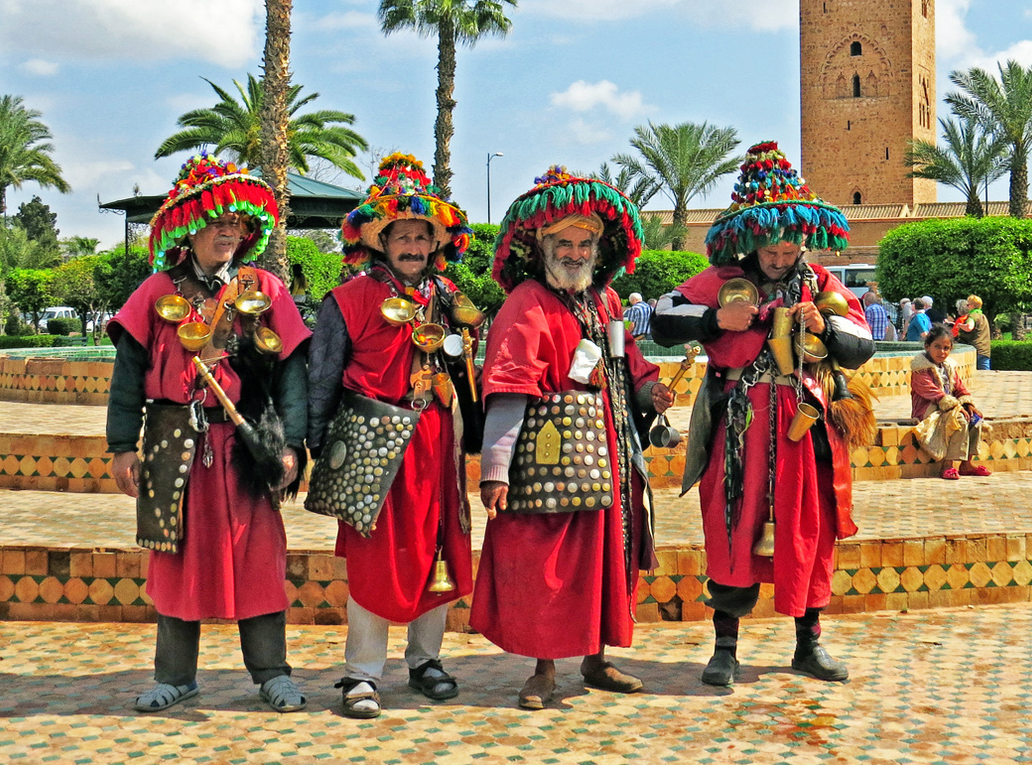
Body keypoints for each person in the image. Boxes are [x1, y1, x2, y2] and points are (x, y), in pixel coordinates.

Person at [653, 142, 875, 687]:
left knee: (808, 532)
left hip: (805, 429)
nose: (779, 259)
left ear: (803, 240)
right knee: (731, 527)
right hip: (739, 432)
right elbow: (661, 317)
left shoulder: (821, 285)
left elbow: (862, 340)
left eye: (789, 249)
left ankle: (808, 644)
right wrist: (714, 320)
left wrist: (824, 327)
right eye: (771, 250)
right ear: (753, 241)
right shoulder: (721, 279)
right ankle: (724, 648)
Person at [105, 155, 310, 713]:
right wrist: (122, 446)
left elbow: (292, 369)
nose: (229, 232)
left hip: (246, 446)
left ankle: (272, 672)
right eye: (218, 222)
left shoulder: (262, 288)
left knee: (259, 556)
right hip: (176, 444)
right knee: (175, 557)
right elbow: (127, 376)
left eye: (238, 224)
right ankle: (175, 675)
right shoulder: (156, 292)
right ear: (190, 227)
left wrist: (291, 443)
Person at [472, 166, 673, 710]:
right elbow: (508, 389)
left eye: (586, 242)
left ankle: (596, 657)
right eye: (565, 241)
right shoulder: (526, 304)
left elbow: (629, 364)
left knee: (608, 557)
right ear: (542, 246)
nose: (576, 251)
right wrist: (496, 469)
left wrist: (649, 391)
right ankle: (542, 669)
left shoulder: (604, 304)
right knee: (549, 563)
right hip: (549, 458)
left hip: (607, 455)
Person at [306, 153, 478, 718]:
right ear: (380, 241)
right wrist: (312, 444)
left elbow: (473, 370)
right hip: (372, 439)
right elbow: (323, 375)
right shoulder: (348, 300)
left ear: (435, 243)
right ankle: (362, 673)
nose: (412, 245)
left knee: (437, 550)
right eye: (401, 235)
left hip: (434, 438)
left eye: (421, 236)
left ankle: (426, 659)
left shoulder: (452, 300)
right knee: (373, 555)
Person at [910, 326, 989, 480]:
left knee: (975, 419)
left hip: (950, 407)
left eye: (946, 348)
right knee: (958, 420)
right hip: (929, 410)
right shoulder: (920, 369)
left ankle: (967, 463)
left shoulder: (948, 367)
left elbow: (959, 387)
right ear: (927, 346)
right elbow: (932, 392)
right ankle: (947, 465)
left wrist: (968, 404)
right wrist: (955, 407)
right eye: (937, 347)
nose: (942, 352)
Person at [955, 293, 993, 371]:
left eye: (968, 305)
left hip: (975, 349)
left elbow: (969, 327)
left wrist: (960, 325)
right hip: (985, 349)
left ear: (973, 305)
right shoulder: (983, 316)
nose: (967, 307)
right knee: (986, 372)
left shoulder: (973, 316)